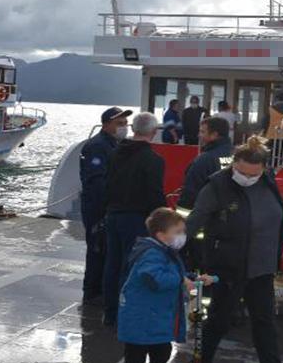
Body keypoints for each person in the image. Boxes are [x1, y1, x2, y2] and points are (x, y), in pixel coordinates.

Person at [186, 136, 283, 363]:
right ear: (233, 164)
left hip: (261, 266)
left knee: (265, 322)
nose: (247, 178)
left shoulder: (267, 180)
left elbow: (278, 211)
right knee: (218, 320)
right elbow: (195, 220)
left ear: (263, 169)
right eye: (241, 172)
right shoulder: (216, 186)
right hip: (228, 266)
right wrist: (169, 246)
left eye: (253, 174)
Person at [107, 207, 215, 363]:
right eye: (178, 232)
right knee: (134, 362)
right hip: (141, 319)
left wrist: (191, 278)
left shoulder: (165, 252)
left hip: (156, 318)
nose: (182, 236)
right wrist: (180, 280)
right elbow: (154, 278)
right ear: (161, 235)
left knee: (162, 352)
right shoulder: (151, 254)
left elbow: (173, 273)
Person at [102, 112, 167, 326]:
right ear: (154, 132)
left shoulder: (115, 152)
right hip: (136, 219)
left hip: (113, 214)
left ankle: (109, 313)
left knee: (112, 264)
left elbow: (107, 184)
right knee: (130, 268)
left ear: (133, 129)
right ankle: (125, 313)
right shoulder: (154, 160)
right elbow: (155, 194)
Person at [80, 107, 132, 305]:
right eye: (119, 123)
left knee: (106, 249)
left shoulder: (114, 144)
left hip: (109, 207)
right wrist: (106, 207)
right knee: (96, 248)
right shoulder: (97, 146)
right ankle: (91, 291)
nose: (124, 127)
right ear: (106, 124)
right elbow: (96, 181)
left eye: (125, 123)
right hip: (97, 208)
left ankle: (100, 288)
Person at [177, 117, 233, 212]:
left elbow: (190, 193)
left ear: (214, 135)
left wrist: (183, 220)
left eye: (202, 132)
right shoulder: (236, 155)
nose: (199, 135)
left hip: (205, 216)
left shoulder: (204, 160)